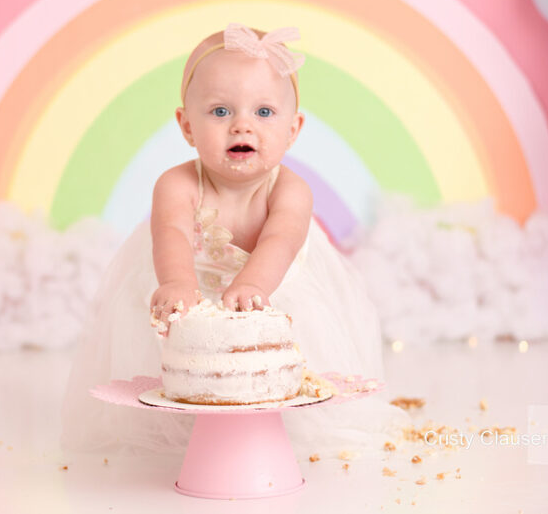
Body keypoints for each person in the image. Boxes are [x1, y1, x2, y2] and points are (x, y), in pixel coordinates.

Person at [60, 24, 408, 456]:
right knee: (180, 370)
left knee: (284, 373)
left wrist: (254, 284)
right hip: (193, 297)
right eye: (220, 112)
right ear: (186, 126)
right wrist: (176, 282)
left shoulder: (291, 190)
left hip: (274, 295)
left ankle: (281, 428)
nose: (242, 125)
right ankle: (190, 427)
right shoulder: (177, 184)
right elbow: (169, 233)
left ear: (293, 128)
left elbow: (280, 240)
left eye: (264, 113)